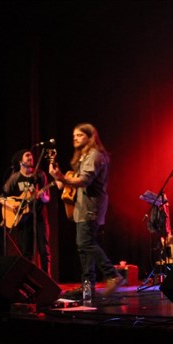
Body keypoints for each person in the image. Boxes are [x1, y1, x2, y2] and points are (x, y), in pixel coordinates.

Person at [49, 123, 124, 298]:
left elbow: (85, 181)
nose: (75, 138)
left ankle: (113, 275)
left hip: (91, 207)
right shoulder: (85, 157)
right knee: (83, 248)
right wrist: (59, 177)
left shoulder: (95, 155)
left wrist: (60, 177)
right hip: (82, 207)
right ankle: (87, 289)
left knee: (85, 243)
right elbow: (75, 182)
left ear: (90, 138)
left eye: (80, 135)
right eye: (74, 135)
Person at [0, 149, 52, 275]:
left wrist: (43, 196)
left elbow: (47, 198)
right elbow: (1, 198)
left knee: (43, 249)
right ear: (20, 161)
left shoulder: (40, 175)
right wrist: (12, 205)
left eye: (31, 155)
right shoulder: (15, 177)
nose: (30, 157)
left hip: (39, 216)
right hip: (23, 219)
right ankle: (27, 278)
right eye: (27, 155)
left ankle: (47, 279)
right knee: (25, 251)